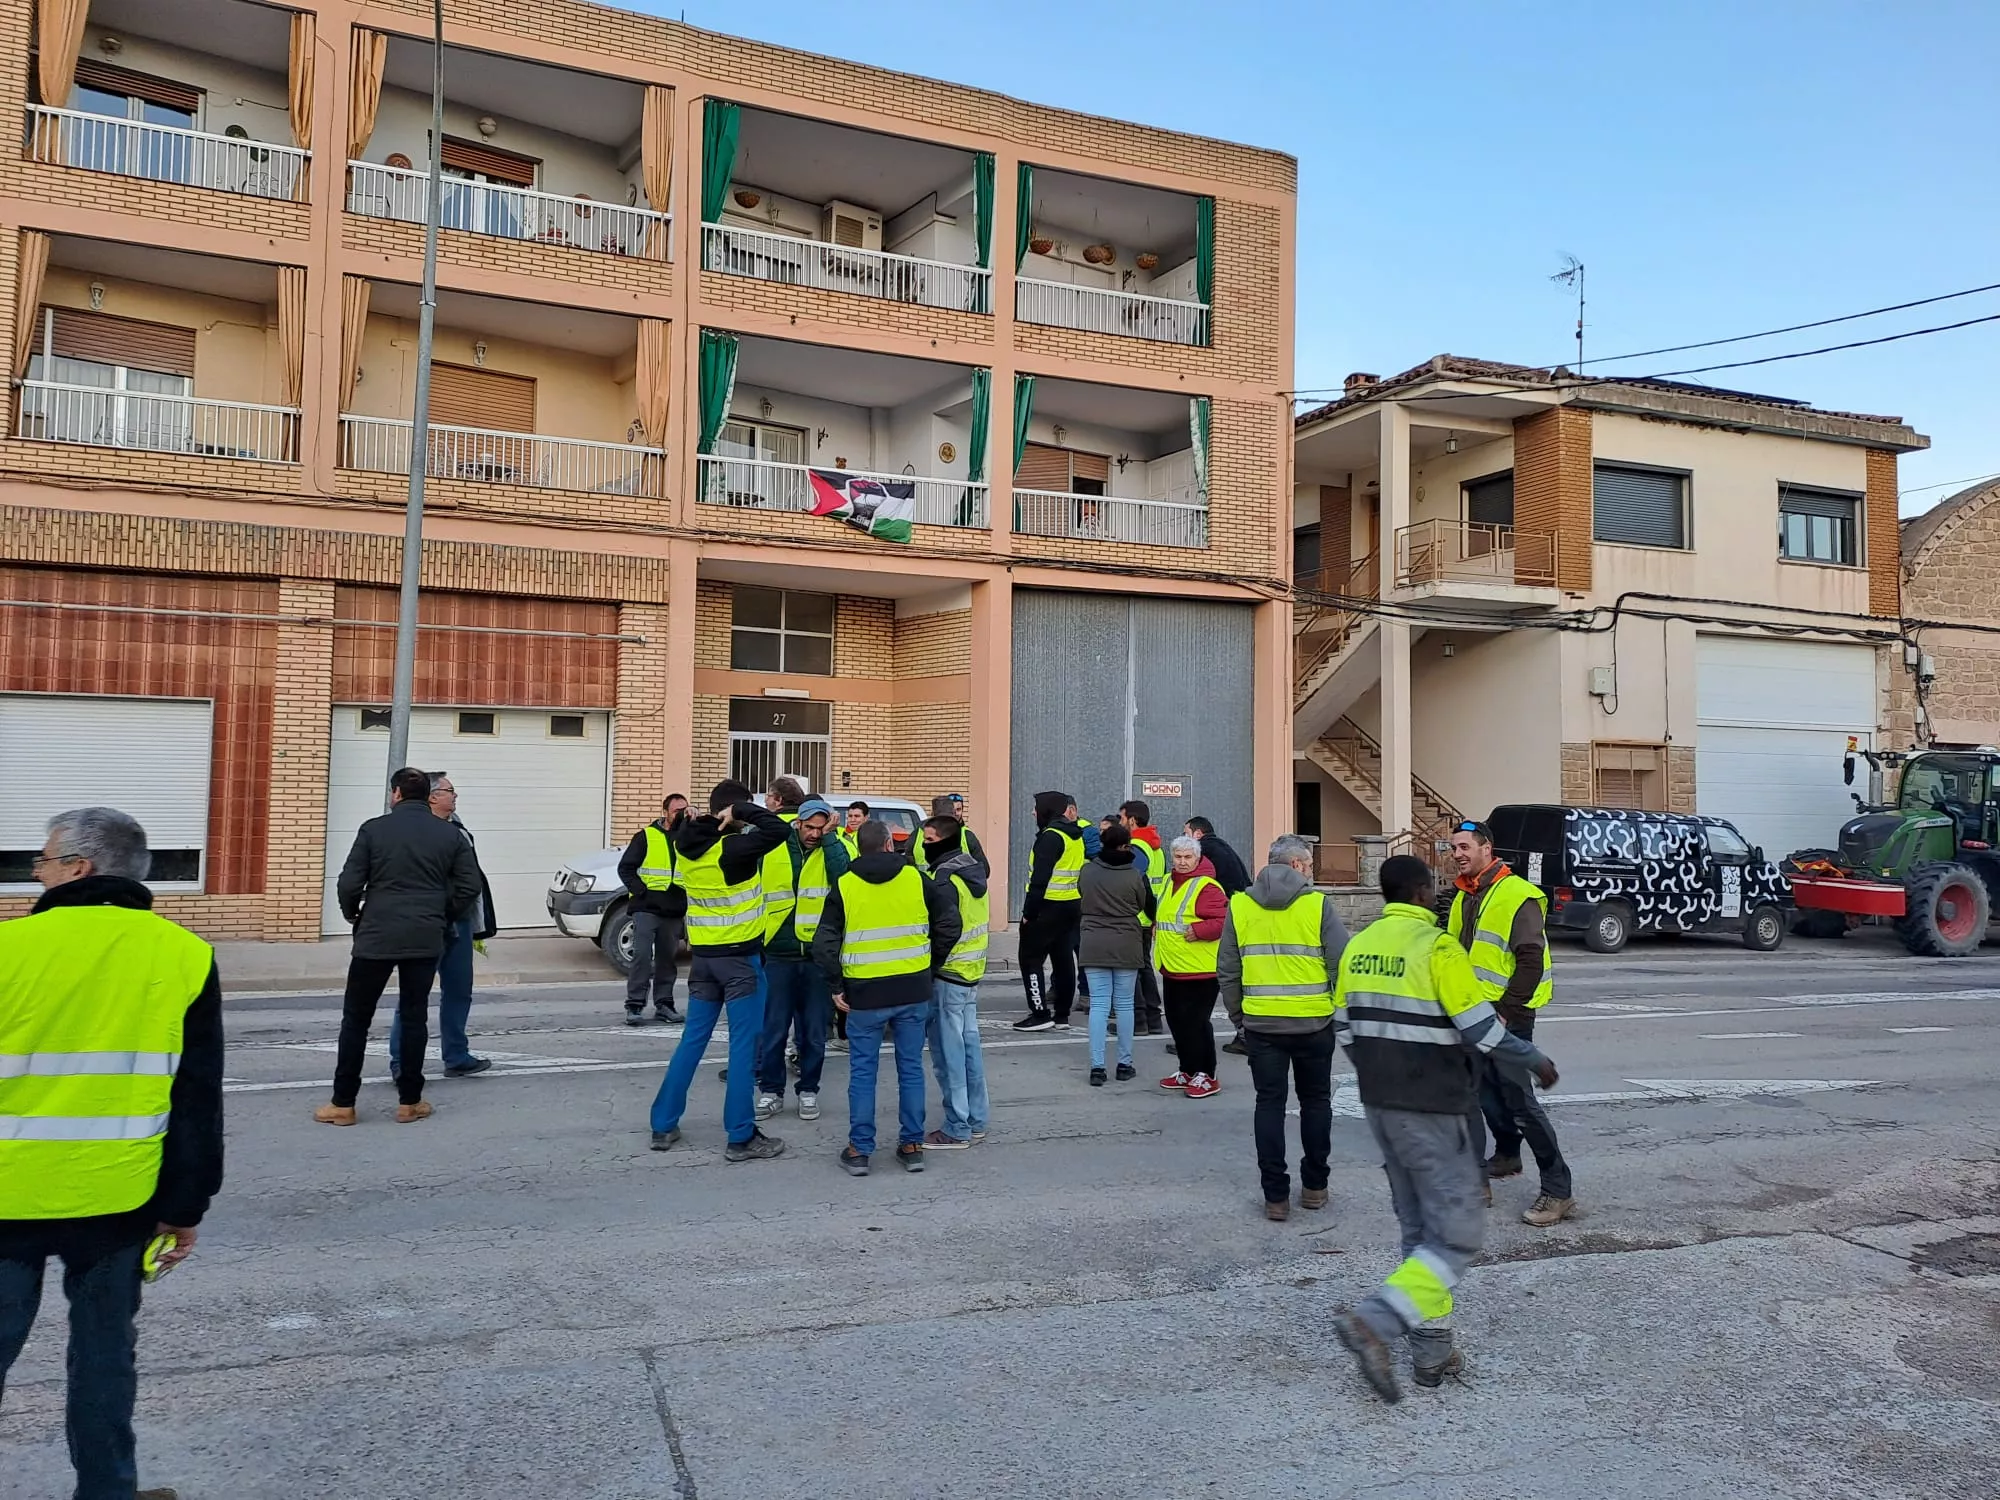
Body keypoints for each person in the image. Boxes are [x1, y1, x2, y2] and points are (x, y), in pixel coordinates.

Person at [0, 808, 223, 1500]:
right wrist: (185, 1206)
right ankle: (106, 1491)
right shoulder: (183, 954)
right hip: (118, 1199)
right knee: (102, 1360)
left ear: (79, 867)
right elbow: (196, 1097)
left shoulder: (10, 948)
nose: (35, 873)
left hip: (7, 1198)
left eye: (41, 862)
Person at [1328, 855, 1560, 1404]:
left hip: (1382, 1106)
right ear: (1424, 891)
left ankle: (1431, 1353)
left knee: (1419, 1232)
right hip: (1433, 1107)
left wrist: (1381, 1075)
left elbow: (1343, 1028)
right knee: (1456, 1236)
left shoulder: (1358, 948)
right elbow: (1482, 1030)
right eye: (1433, 887)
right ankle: (1374, 1324)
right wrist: (1535, 1060)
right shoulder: (1437, 948)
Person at [317, 767, 481, 1127]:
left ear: (395, 794)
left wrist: (353, 914)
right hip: (425, 937)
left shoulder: (373, 829)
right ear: (427, 796)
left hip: (375, 936)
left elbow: (349, 883)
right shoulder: (449, 835)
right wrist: (442, 912)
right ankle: (410, 1102)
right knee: (413, 1015)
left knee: (356, 1020)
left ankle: (343, 1103)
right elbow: (470, 887)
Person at [647, 781, 791, 1160]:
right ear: (733, 811)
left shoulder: (686, 845)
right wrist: (742, 813)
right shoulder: (732, 848)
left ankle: (663, 1124)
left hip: (704, 961)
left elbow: (687, 827)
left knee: (692, 1041)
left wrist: (710, 816)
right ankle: (741, 1136)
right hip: (740, 961)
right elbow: (780, 829)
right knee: (744, 1049)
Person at [814, 820, 960, 1175]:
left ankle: (860, 1150)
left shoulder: (844, 885)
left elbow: (824, 941)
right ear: (888, 846)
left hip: (864, 993)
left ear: (859, 848)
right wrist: (930, 965)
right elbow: (950, 923)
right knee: (910, 1068)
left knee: (863, 1072)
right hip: (912, 989)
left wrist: (836, 985)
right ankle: (911, 1146)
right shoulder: (916, 879)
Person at [1448, 821, 1575, 1227]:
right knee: (1485, 1093)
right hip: (1473, 1015)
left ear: (1488, 848)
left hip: (1507, 1016)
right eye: (1453, 849)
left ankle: (1558, 1190)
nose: (1458, 854)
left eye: (1465, 847)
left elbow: (1530, 959)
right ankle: (1505, 1156)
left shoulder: (1517, 894)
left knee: (1520, 1102)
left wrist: (1506, 1010)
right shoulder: (1465, 894)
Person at [1219, 835, 1351, 1220]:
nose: (1310, 872)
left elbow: (1228, 969)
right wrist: (1338, 1010)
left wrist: (1239, 1019)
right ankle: (1314, 1186)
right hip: (1314, 1022)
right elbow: (1340, 963)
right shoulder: (1317, 904)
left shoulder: (1240, 904)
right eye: (1308, 866)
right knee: (1315, 1102)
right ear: (1296, 865)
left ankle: (1275, 1196)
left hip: (1261, 1026)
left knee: (1269, 1105)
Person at [386, 772, 497, 1081]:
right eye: (450, 791)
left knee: (459, 991)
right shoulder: (417, 832)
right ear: (432, 796)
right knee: (414, 995)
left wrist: (465, 916)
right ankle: (401, 1062)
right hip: (426, 925)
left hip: (459, 925)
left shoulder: (458, 828)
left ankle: (457, 1056)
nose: (455, 796)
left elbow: (469, 879)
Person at [755, 797, 847, 1123]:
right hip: (778, 953)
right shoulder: (776, 846)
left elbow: (844, 879)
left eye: (821, 829)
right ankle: (771, 1092)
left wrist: (833, 838)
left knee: (813, 1034)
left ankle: (808, 1090)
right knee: (773, 1029)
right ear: (798, 823)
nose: (815, 834)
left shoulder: (833, 847)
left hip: (816, 957)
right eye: (810, 827)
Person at [921, 815, 991, 1148]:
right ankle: (976, 1120)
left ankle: (956, 1127)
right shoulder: (972, 871)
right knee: (968, 1052)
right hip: (970, 974)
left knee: (949, 1057)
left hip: (948, 976)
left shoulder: (945, 879)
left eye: (930, 839)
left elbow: (946, 929)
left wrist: (929, 967)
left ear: (947, 841)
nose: (924, 845)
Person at [1078, 823, 1155, 1086]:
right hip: (1126, 941)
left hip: (1093, 940)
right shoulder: (1134, 874)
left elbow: (1082, 895)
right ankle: (1124, 1064)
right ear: (1125, 846)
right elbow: (1144, 903)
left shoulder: (1087, 871)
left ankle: (1097, 1067)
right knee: (1124, 1005)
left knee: (1099, 1005)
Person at [1155, 834, 1229, 1099]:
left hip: (1201, 969)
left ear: (1197, 859)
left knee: (1196, 1023)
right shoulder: (1167, 881)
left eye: (1188, 857)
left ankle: (1206, 1075)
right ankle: (1187, 1070)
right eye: (1178, 857)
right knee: (1176, 1021)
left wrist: (1199, 930)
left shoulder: (1207, 887)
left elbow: (1223, 920)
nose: (1183, 862)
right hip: (1173, 966)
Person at [1013, 790, 1087, 1032]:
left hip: (1046, 907)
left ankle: (1040, 1013)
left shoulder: (1051, 837)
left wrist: (1028, 912)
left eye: (1036, 807)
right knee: (1063, 959)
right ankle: (1062, 1015)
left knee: (1030, 960)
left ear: (1047, 810)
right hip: (1070, 906)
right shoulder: (1075, 835)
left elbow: (1039, 879)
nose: (1033, 812)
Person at [617, 793, 689, 1025]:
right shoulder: (646, 836)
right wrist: (641, 892)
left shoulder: (688, 837)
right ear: (665, 812)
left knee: (667, 959)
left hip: (674, 909)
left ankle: (664, 1005)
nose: (681, 814)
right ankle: (635, 1005)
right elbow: (626, 868)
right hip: (646, 908)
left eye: (684, 810)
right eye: (677, 810)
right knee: (642, 957)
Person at [1187, 816, 1254, 1055]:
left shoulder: (1204, 851)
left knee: (1225, 978)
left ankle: (1194, 1038)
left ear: (1197, 834)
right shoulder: (1221, 846)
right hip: (1243, 912)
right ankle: (1245, 1035)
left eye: (1187, 833)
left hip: (1229, 919)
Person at [1119, 800, 1169, 1036]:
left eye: (1121, 818)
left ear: (1131, 820)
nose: (1120, 823)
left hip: (1134, 916)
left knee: (1132, 969)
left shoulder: (1137, 846)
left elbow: (1131, 879)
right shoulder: (1155, 846)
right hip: (1148, 916)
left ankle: (1139, 1020)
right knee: (1143, 967)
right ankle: (1153, 1017)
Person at [923, 794, 988, 873]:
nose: (956, 814)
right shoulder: (918, 834)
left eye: (958, 809)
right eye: (954, 811)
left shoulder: (967, 836)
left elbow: (984, 870)